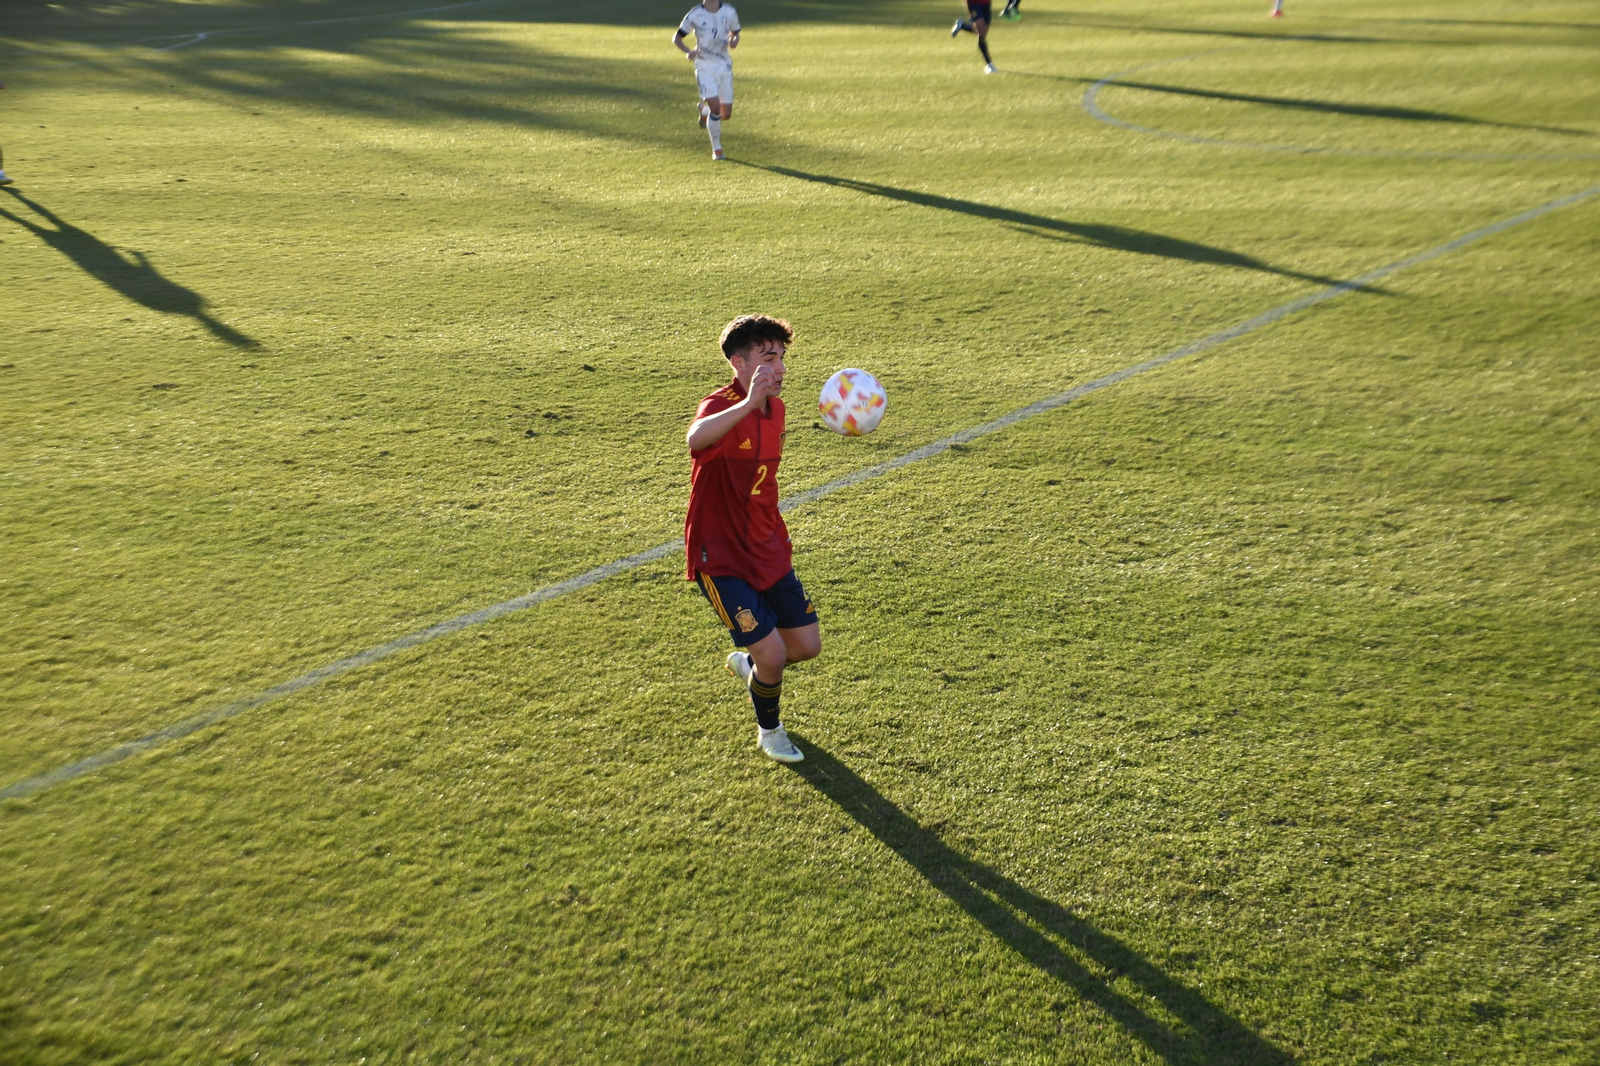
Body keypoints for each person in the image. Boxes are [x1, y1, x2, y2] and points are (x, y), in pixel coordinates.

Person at [684, 315, 821, 763]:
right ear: (738, 363)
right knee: (775, 654)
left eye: (781, 356)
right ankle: (771, 731)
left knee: (805, 647)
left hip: (768, 547)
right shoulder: (720, 405)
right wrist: (746, 404)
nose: (779, 367)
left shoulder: (777, 409)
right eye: (768, 357)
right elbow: (696, 438)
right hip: (721, 556)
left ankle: (752, 668)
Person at [674, 0, 741, 161]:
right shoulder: (695, 14)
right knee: (716, 108)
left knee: (726, 114)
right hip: (704, 65)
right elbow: (677, 38)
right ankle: (717, 149)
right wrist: (688, 51)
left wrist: (734, 40)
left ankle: (704, 111)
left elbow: (735, 32)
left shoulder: (729, 12)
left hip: (724, 65)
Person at [951, 0, 998, 75]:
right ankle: (989, 65)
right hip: (974, 3)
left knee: (982, 32)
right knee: (981, 31)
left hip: (986, 3)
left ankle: (962, 25)